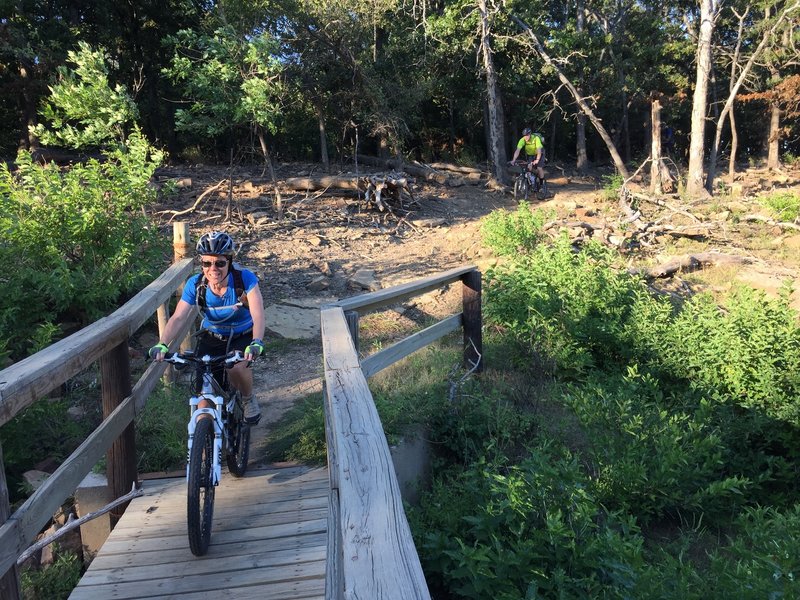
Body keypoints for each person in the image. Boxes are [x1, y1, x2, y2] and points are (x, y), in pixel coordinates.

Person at [150, 231, 265, 424]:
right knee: (203, 406)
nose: (213, 269)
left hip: (242, 336)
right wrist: (162, 344)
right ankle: (204, 450)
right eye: (207, 263)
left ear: (229, 261)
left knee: (236, 369)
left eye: (219, 263)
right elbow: (178, 317)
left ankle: (247, 398)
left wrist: (257, 342)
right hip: (212, 338)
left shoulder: (244, 279)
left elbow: (258, 313)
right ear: (201, 263)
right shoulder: (196, 284)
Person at [511, 127, 546, 192]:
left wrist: (537, 159)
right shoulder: (522, 140)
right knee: (529, 167)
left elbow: (539, 150)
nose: (526, 137)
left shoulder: (536, 138)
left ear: (530, 134)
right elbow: (517, 150)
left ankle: (541, 185)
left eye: (527, 135)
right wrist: (513, 160)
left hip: (540, 153)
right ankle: (532, 182)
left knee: (539, 168)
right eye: (524, 136)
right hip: (530, 155)